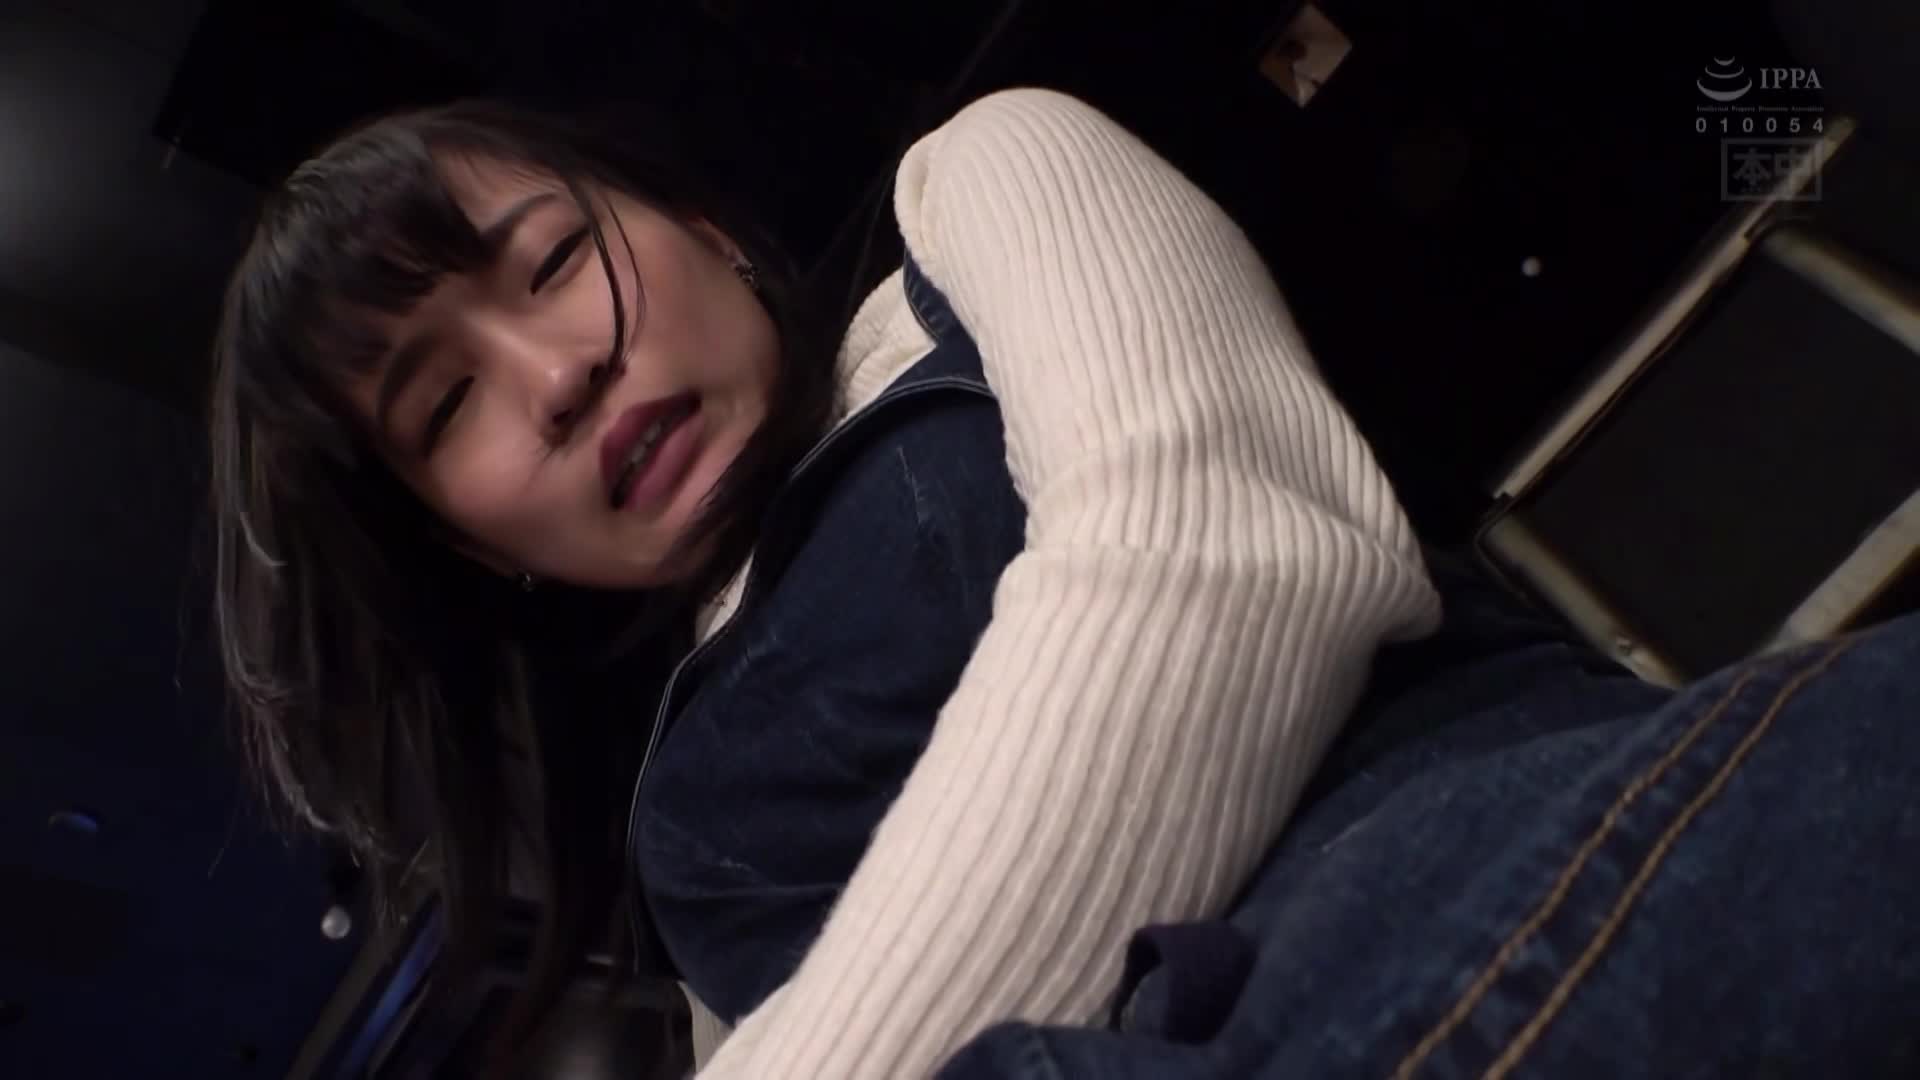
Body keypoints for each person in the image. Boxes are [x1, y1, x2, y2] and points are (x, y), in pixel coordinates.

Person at [208, 87, 1920, 1080]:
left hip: (1511, 881)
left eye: (556, 261)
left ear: (694, 225)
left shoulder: (975, 195)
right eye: (447, 407)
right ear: (474, 545)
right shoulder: (680, 846)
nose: (558, 374)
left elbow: (1211, 552)